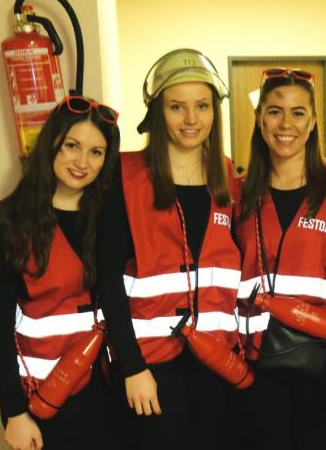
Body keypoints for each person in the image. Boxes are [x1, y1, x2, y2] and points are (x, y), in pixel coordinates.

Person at [97, 48, 241, 450]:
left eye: (202, 106)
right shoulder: (124, 176)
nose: (191, 119)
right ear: (158, 111)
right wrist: (132, 366)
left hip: (217, 364)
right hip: (152, 366)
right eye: (177, 107)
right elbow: (107, 280)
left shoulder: (229, 178)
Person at [0, 95, 121, 450]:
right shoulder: (9, 223)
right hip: (40, 400)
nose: (82, 162)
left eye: (96, 152)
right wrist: (14, 413)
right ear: (52, 143)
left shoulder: (107, 218)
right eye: (72, 146)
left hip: (102, 392)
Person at [234, 67, 326, 450]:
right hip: (255, 365)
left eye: (298, 112)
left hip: (325, 363)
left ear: (314, 121)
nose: (285, 123)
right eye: (274, 111)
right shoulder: (236, 193)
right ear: (259, 119)